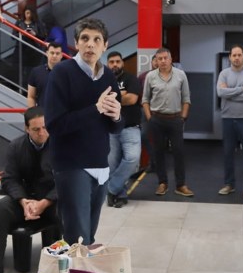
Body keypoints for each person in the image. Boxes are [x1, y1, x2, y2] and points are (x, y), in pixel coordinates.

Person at [43, 18, 123, 245]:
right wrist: (95, 109)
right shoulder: (61, 73)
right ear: (76, 44)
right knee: (77, 237)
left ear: (104, 45)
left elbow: (114, 127)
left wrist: (116, 115)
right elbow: (55, 125)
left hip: (100, 164)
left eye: (97, 39)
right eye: (85, 39)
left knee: (89, 234)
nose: (90, 44)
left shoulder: (108, 76)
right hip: (71, 165)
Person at [0, 106, 59, 273]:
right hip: (25, 200)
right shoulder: (16, 146)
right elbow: (9, 179)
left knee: (66, 210)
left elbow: (66, 181)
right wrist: (23, 201)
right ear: (26, 129)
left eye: (45, 127)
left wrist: (45, 202)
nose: (42, 132)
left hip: (51, 201)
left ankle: (56, 265)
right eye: (36, 129)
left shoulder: (59, 146)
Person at [142, 47, 194, 197]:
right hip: (156, 120)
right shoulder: (150, 76)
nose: (163, 61)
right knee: (159, 153)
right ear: (156, 61)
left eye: (165, 58)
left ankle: (180, 185)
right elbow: (145, 99)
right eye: (160, 59)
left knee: (179, 152)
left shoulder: (180, 75)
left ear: (171, 59)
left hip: (175, 119)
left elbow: (186, 98)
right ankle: (162, 183)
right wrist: (149, 118)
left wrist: (183, 117)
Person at [217, 46, 243, 198]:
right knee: (228, 153)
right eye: (234, 55)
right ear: (230, 57)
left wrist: (230, 92)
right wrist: (241, 89)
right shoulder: (224, 73)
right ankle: (229, 184)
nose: (236, 58)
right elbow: (220, 92)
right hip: (228, 118)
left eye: (239, 55)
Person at [106, 51, 142, 208]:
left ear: (122, 63)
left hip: (130, 128)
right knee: (112, 164)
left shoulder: (131, 78)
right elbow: (100, 100)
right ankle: (119, 195)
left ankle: (110, 189)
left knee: (132, 159)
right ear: (108, 64)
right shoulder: (102, 80)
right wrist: (122, 95)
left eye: (117, 61)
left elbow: (132, 99)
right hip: (110, 129)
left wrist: (112, 97)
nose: (115, 64)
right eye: (112, 62)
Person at [26, 41, 65, 108]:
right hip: (42, 115)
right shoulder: (36, 72)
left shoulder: (69, 73)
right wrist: (34, 116)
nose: (54, 56)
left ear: (61, 55)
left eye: (57, 53)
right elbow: (31, 97)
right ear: (47, 53)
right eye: (52, 53)